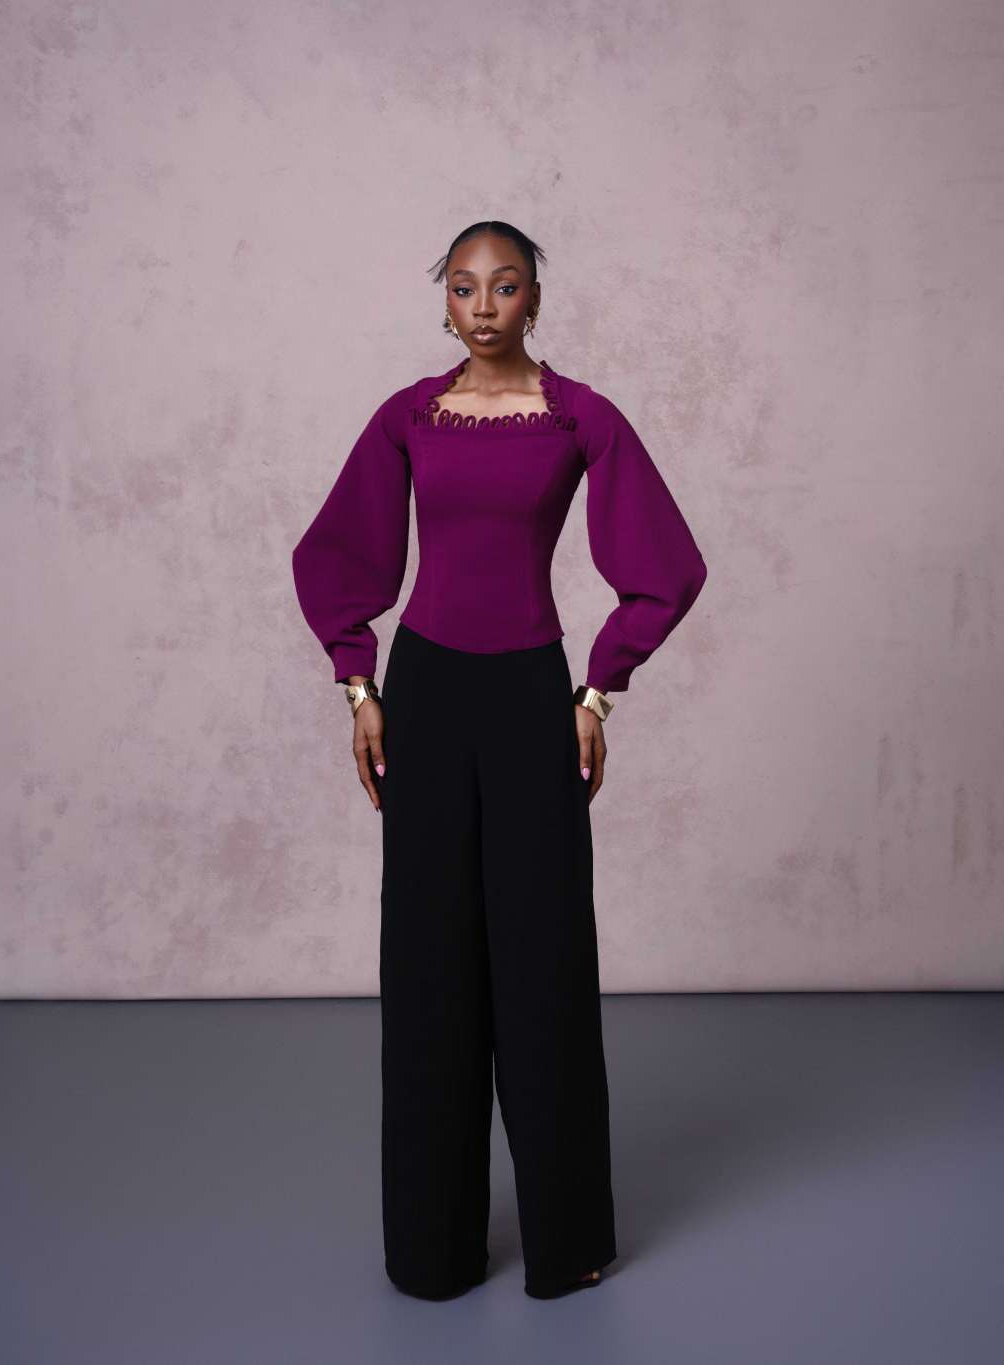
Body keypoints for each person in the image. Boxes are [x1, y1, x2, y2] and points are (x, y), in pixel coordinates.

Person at [291, 220, 708, 1300]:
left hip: (531, 697)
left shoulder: (580, 418)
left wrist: (598, 689)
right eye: (465, 287)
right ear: (445, 302)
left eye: (505, 285)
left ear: (534, 300)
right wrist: (358, 685)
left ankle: (568, 1242)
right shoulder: (407, 417)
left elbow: (665, 566)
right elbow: (338, 553)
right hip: (427, 694)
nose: (483, 306)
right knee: (427, 963)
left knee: (544, 955)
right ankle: (431, 1252)